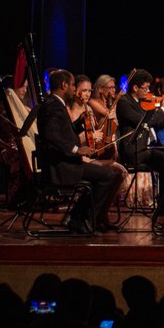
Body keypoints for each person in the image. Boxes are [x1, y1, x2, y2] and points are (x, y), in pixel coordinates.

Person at [36, 70, 119, 233]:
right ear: (64, 85)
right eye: (73, 85)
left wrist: (77, 125)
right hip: (61, 166)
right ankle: (84, 218)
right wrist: (77, 149)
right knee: (108, 176)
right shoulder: (52, 105)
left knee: (109, 175)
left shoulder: (55, 104)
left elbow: (61, 134)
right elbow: (51, 135)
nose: (75, 90)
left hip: (66, 162)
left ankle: (77, 217)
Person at [67, 75, 128, 204]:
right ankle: (90, 209)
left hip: (92, 155)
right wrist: (89, 137)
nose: (88, 94)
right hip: (79, 159)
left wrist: (102, 136)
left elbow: (94, 137)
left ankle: (101, 211)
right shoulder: (70, 111)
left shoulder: (88, 109)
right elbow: (70, 139)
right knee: (117, 172)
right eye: (84, 90)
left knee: (120, 172)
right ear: (75, 91)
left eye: (89, 90)